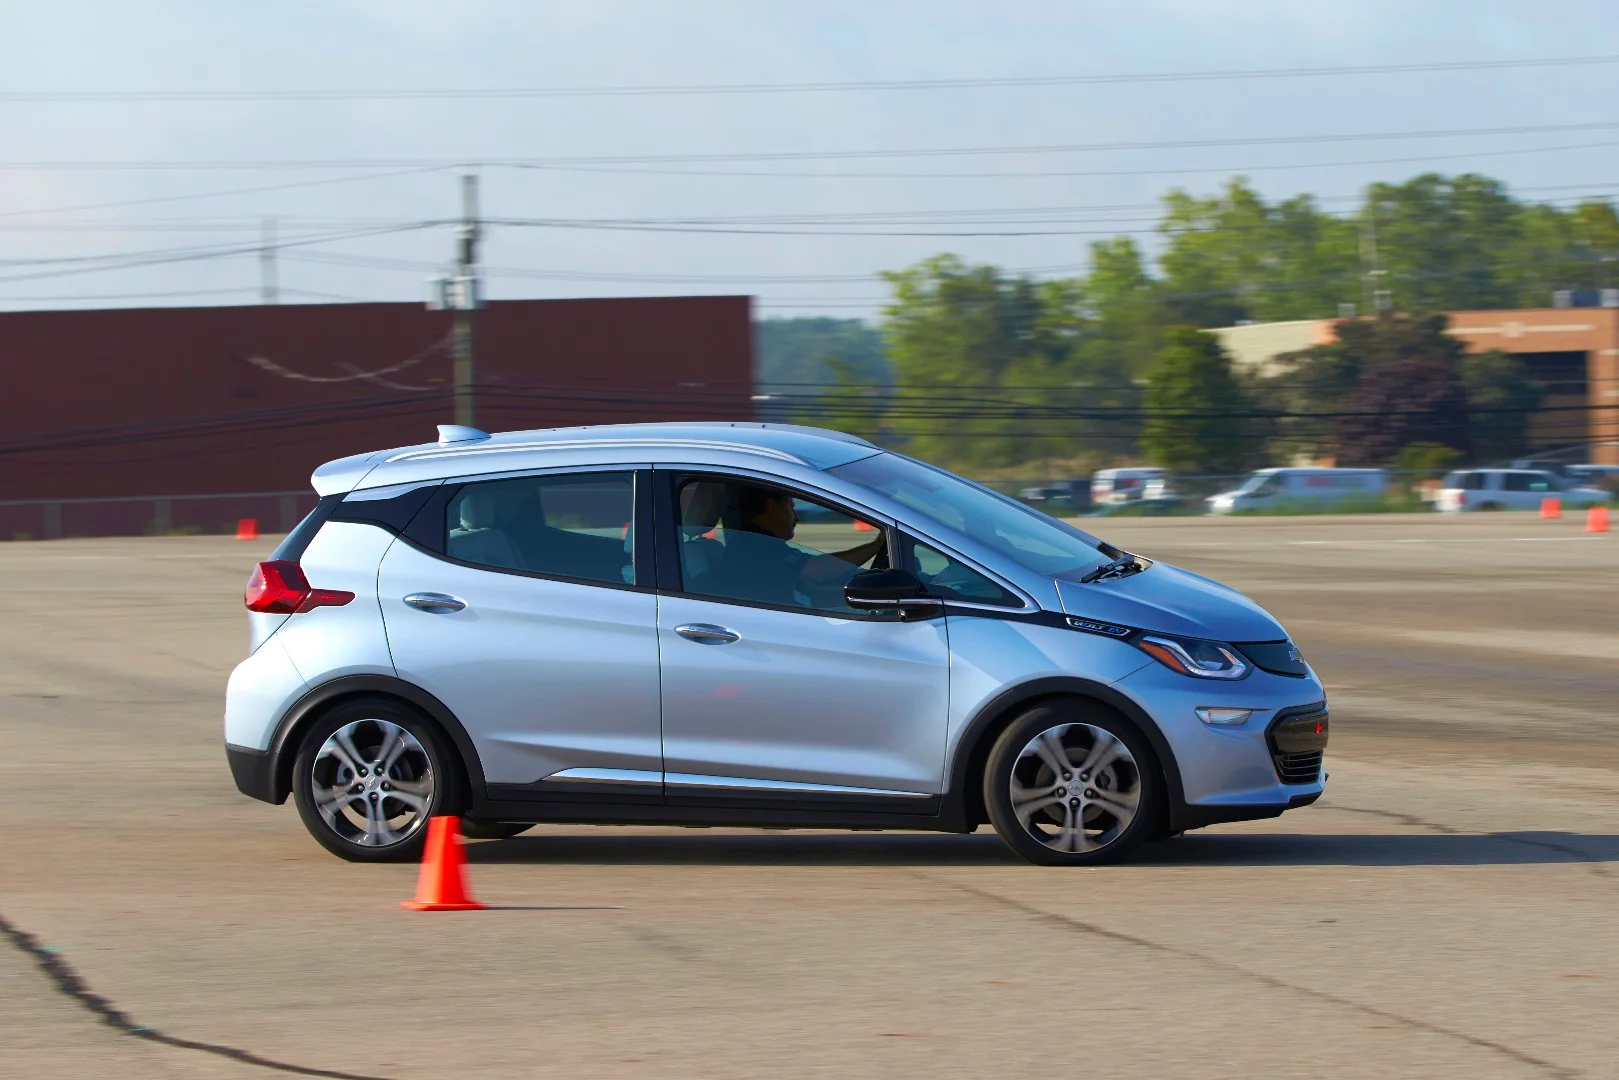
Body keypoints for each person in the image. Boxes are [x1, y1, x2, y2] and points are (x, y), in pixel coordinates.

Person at [698, 485, 885, 608]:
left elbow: (812, 596)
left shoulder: (755, 543)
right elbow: (818, 571)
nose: (796, 517)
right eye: (791, 507)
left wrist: (872, 595)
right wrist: (876, 545)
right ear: (772, 508)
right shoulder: (755, 546)